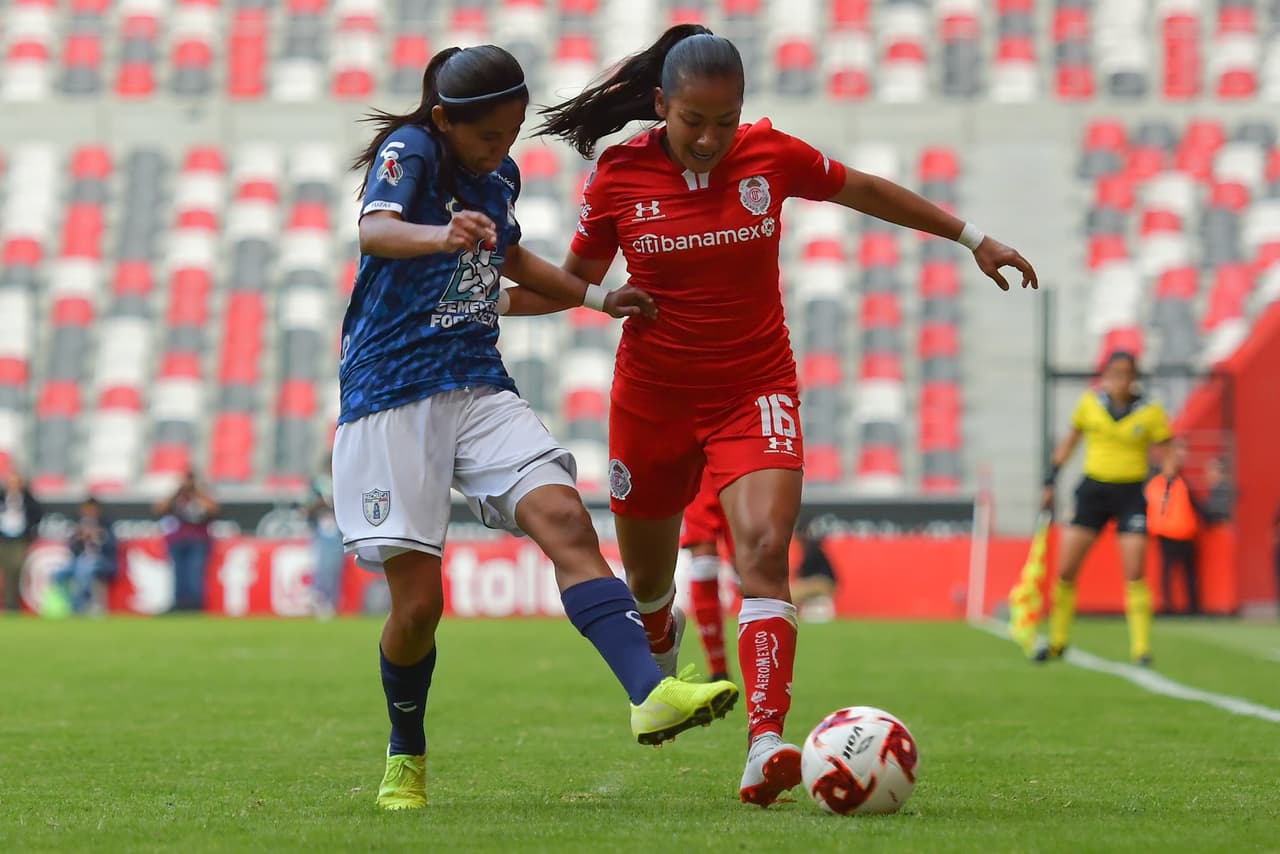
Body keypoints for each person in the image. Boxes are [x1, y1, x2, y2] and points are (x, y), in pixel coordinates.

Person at [536, 23, 1038, 806]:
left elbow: (865, 188)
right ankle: (660, 649)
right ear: (661, 105)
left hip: (755, 386)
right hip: (654, 398)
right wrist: (505, 295)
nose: (709, 138)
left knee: (766, 550)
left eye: (725, 122)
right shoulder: (618, 178)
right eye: (693, 121)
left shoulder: (773, 156)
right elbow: (571, 281)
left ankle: (765, 742)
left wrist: (972, 238)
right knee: (647, 585)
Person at [337, 43, 737, 811]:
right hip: (390, 393)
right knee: (418, 609)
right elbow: (377, 231)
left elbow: (516, 262)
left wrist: (597, 298)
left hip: (476, 381)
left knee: (564, 519)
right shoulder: (410, 149)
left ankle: (650, 694)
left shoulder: (499, 176)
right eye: (489, 137)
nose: (502, 150)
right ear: (448, 121)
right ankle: (405, 753)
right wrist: (441, 236)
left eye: (512, 134)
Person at [1038, 352, 1171, 665]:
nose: (1120, 379)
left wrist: (1169, 478)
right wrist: (1051, 478)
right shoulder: (1090, 404)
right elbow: (1070, 442)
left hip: (1131, 494)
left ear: (1134, 377)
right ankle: (1058, 641)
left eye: (1126, 373)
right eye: (1114, 373)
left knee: (1135, 570)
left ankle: (1141, 649)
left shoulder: (1150, 411)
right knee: (1067, 569)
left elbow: (1168, 450)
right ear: (1106, 375)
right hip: (1094, 491)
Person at [681, 470, 737, 682]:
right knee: (703, 566)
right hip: (698, 468)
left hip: (739, 463)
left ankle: (764, 675)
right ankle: (718, 671)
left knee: (750, 575)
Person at [1145, 437, 1204, 615]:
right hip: (1167, 535)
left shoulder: (1182, 483)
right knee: (1168, 573)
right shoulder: (1157, 483)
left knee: (1189, 574)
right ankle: (1167, 606)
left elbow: (1197, 506)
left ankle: (1193, 607)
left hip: (1186, 533)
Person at [154, 469, 218, 612]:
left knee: (195, 571)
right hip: (177, 539)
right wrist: (176, 492)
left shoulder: (202, 495)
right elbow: (159, 508)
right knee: (179, 572)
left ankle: (195, 603)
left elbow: (213, 509)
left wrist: (197, 492)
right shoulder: (178, 497)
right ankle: (179, 602)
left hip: (198, 540)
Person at [52, 497, 118, 614]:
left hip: (101, 561)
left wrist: (99, 536)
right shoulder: (78, 525)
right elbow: (72, 550)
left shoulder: (106, 524)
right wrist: (79, 538)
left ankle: (79, 606)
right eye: (85, 509)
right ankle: (70, 602)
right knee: (57, 575)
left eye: (91, 509)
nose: (88, 512)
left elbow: (112, 547)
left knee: (85, 569)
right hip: (79, 561)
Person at [307, 458, 345, 620]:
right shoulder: (318, 485)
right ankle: (320, 599)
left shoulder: (341, 481)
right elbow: (308, 507)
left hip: (337, 531)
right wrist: (322, 503)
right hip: (322, 530)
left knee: (334, 566)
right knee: (322, 565)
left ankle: (329, 601)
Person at [0, 468, 42, 613]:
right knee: (7, 570)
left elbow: (37, 514)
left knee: (17, 567)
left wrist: (31, 531)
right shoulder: (2, 496)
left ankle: (13, 604)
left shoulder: (27, 498)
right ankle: (9, 604)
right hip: (3, 538)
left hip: (20, 538)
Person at [791, 522, 838, 622]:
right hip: (824, 582)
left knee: (790, 593)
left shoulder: (812, 549)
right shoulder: (813, 548)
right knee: (793, 590)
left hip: (823, 583)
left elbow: (803, 571)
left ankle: (786, 617)